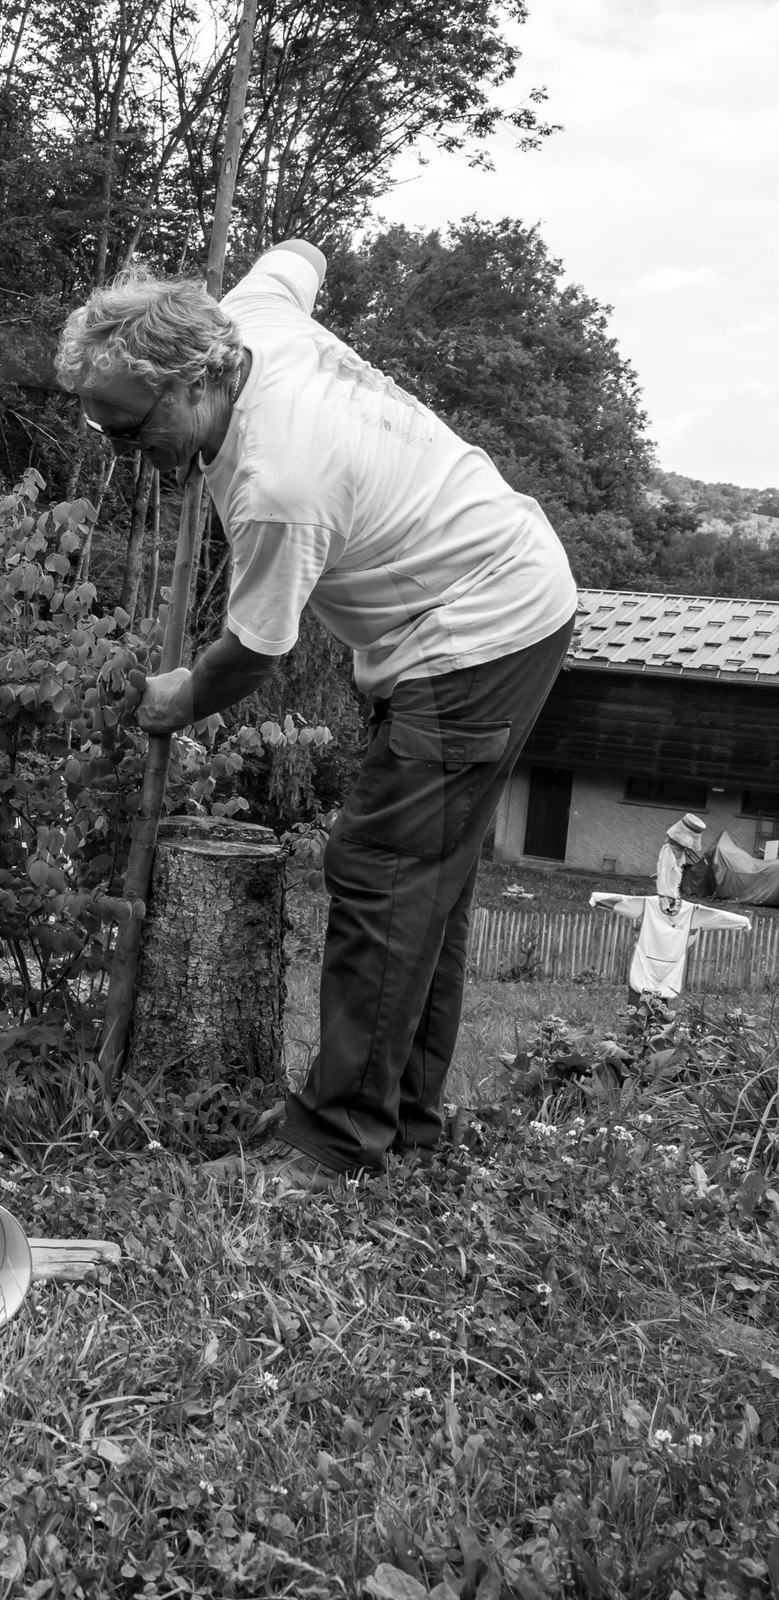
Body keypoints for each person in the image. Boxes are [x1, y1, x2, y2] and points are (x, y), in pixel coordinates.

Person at [57, 241, 579, 1192]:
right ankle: (404, 1121)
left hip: (476, 624)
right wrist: (291, 254)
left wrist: (174, 697)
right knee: (430, 880)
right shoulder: (247, 315)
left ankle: (336, 1142)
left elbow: (254, 651)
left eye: (130, 432)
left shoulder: (278, 483)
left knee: (384, 870)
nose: (126, 456)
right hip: (494, 591)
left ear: (199, 382)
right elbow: (299, 256)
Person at [589, 889, 748, 1006]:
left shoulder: (692, 912)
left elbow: (717, 915)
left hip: (669, 968)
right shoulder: (647, 904)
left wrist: (742, 922)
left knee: (660, 1014)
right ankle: (638, 1040)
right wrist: (598, 898)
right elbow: (625, 901)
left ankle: (654, 1041)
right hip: (644, 963)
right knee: (638, 1008)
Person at [655, 813, 705, 908]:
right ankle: (667, 900)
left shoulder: (679, 851)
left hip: (672, 884)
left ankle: (670, 898)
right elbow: (665, 873)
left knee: (675, 874)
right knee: (668, 874)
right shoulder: (669, 849)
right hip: (670, 857)